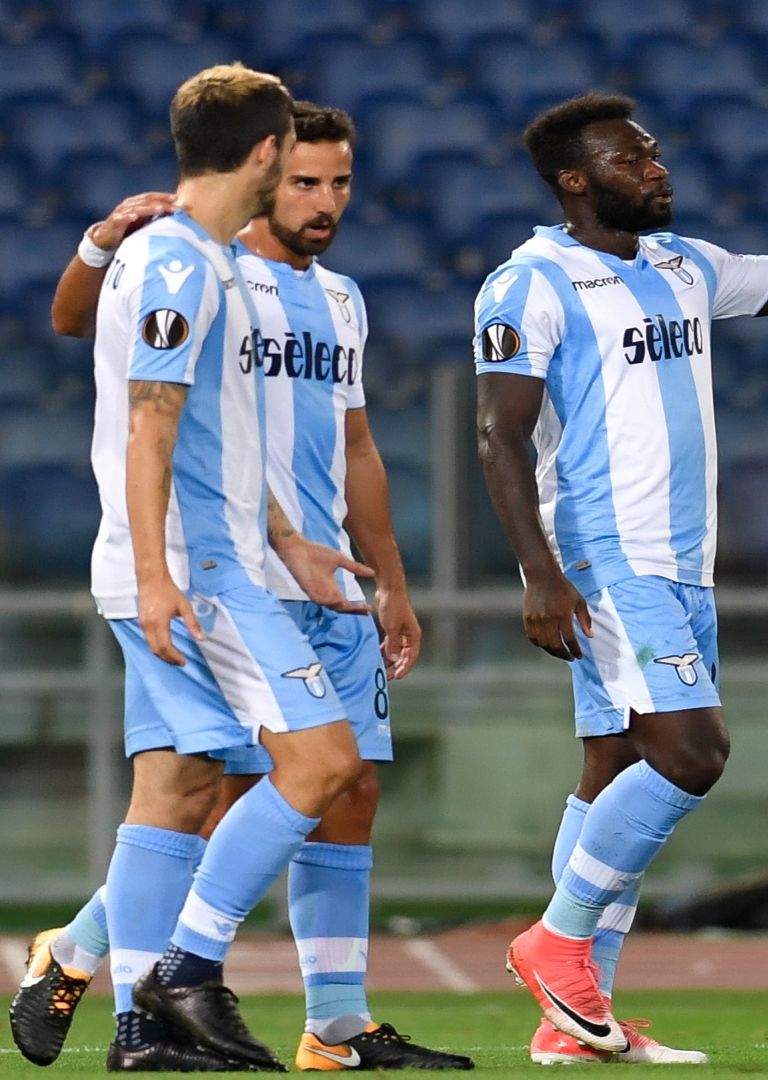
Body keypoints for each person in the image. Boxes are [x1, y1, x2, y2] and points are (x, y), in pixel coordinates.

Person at [15, 103, 470, 1071]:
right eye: (303, 179)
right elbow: (96, 347)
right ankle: (151, 976)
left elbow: (354, 444)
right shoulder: (198, 260)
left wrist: (386, 579)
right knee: (223, 790)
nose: (324, 201)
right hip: (219, 572)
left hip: (308, 567)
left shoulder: (338, 298)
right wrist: (99, 240)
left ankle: (323, 1023)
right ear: (265, 166)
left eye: (340, 182)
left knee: (337, 788)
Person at [473, 74, 768, 1065]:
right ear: (576, 180)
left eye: (653, 152)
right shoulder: (531, 282)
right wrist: (539, 574)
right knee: (692, 754)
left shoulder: (682, 265)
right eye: (632, 157)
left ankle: (574, 1021)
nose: (656, 169)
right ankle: (556, 942)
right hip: (608, 555)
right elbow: (498, 433)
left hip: (683, 561)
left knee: (613, 767)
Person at [69, 62, 382, 1072]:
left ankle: (135, 1028)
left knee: (178, 784)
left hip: (227, 555)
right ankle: (185, 971)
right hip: (199, 571)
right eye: (294, 156)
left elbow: (219, 429)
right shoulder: (179, 265)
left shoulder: (201, 259)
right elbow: (151, 426)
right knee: (323, 765)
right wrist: (161, 577)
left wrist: (288, 536)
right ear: (266, 152)